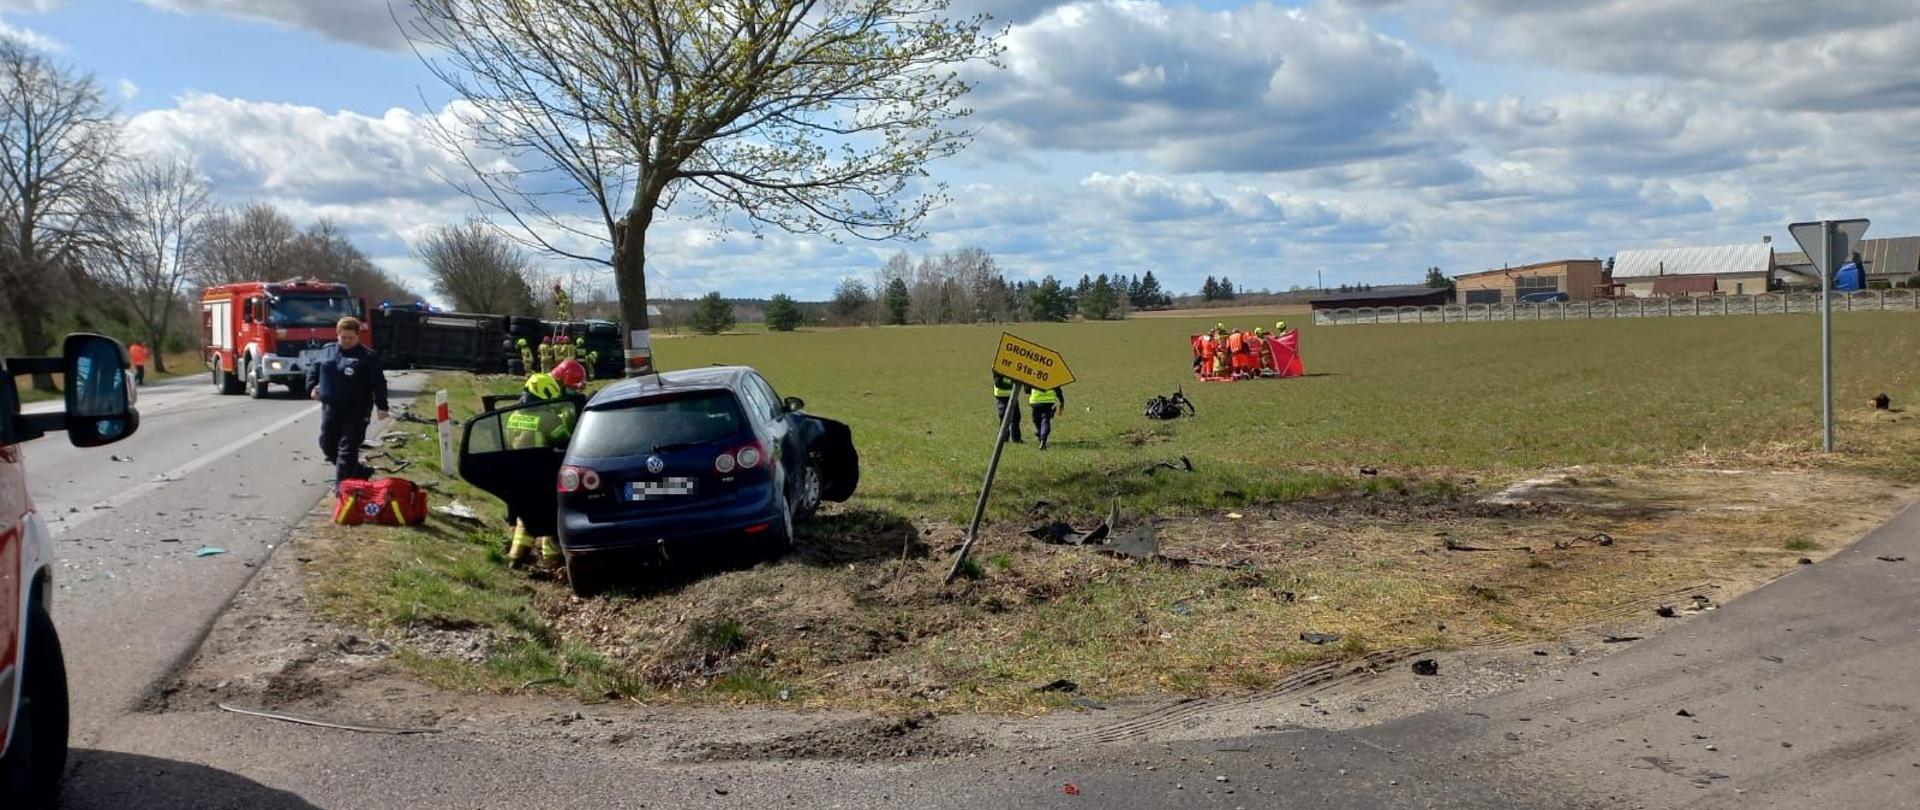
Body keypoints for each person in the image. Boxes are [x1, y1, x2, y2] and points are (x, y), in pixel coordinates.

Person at [505, 371, 579, 568]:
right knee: (549, 515)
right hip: (542, 473)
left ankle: (516, 557)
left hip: (519, 475)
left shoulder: (513, 415)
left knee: (525, 515)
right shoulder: (547, 419)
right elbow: (566, 441)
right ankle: (551, 561)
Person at [306, 317, 390, 492]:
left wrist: (382, 406)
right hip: (331, 408)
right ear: (337, 335)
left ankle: (342, 487)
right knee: (327, 444)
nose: (346, 341)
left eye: (350, 338)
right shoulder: (327, 351)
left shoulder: (367, 357)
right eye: (343, 337)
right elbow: (314, 370)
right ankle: (358, 471)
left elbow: (379, 383)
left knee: (348, 447)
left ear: (358, 336)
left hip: (356, 410)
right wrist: (312, 387)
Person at [1028, 384, 1065, 450]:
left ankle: (1039, 434)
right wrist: (1061, 401)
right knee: (1046, 421)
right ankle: (1043, 440)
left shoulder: (1034, 374)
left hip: (1035, 401)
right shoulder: (1053, 376)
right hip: (1048, 402)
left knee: (1036, 421)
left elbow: (1027, 389)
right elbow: (1057, 389)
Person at [992, 372, 1024, 444]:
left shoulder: (1013, 367)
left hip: (1012, 395)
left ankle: (1016, 438)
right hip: (1002, 395)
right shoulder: (998, 367)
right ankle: (1003, 438)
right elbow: (998, 383)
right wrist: (1013, 386)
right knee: (1004, 417)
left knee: (1016, 417)